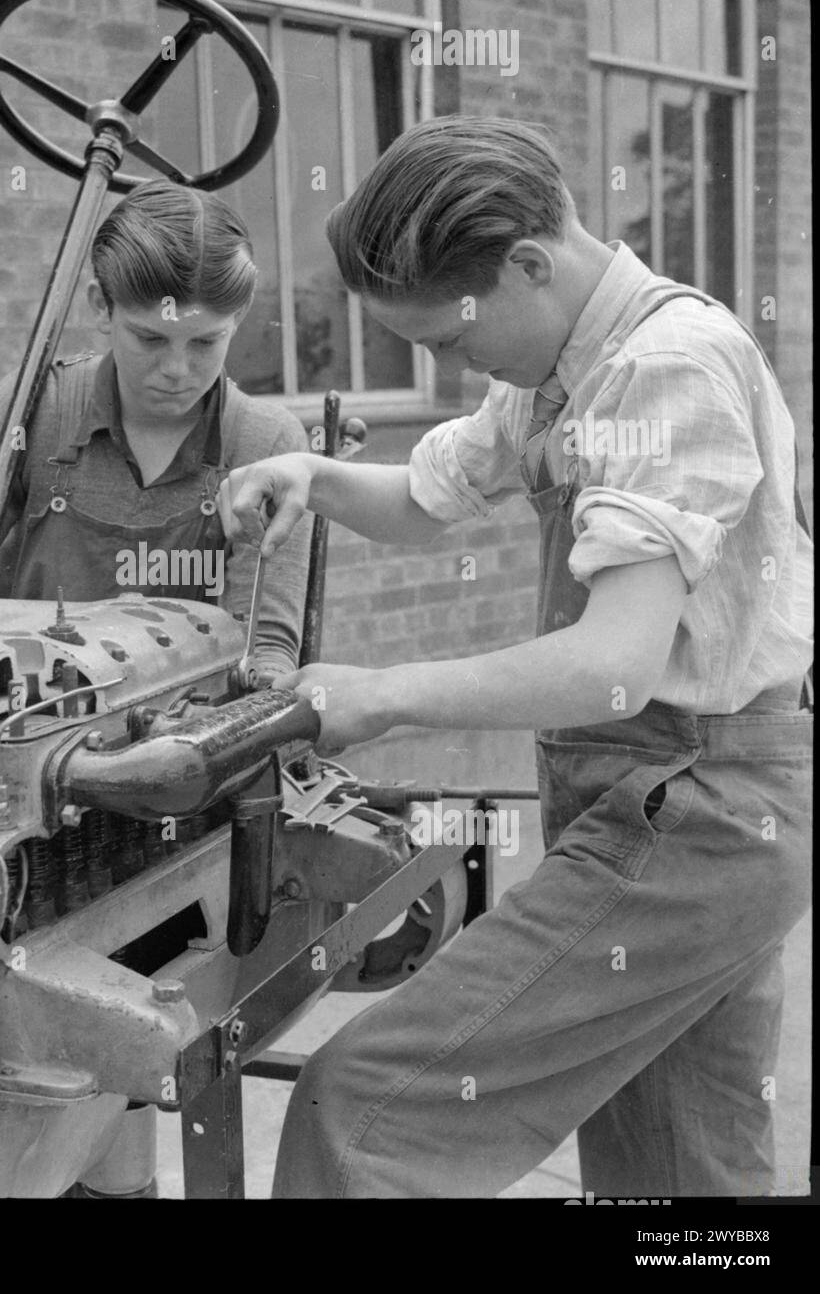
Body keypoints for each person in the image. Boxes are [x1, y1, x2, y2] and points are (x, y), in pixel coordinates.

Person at [218, 116, 813, 1198]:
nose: (449, 364)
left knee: (370, 1109)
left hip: (698, 807)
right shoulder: (561, 364)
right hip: (662, 797)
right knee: (677, 1171)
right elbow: (423, 495)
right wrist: (309, 474)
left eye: (447, 339)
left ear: (529, 264)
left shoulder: (665, 368)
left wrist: (381, 697)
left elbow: (614, 668)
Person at [0, 179, 312, 682]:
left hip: (195, 731)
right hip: (26, 721)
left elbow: (264, 645)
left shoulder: (265, 445)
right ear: (102, 307)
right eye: (150, 338)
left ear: (239, 317)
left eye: (205, 342)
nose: (177, 370)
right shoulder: (33, 413)